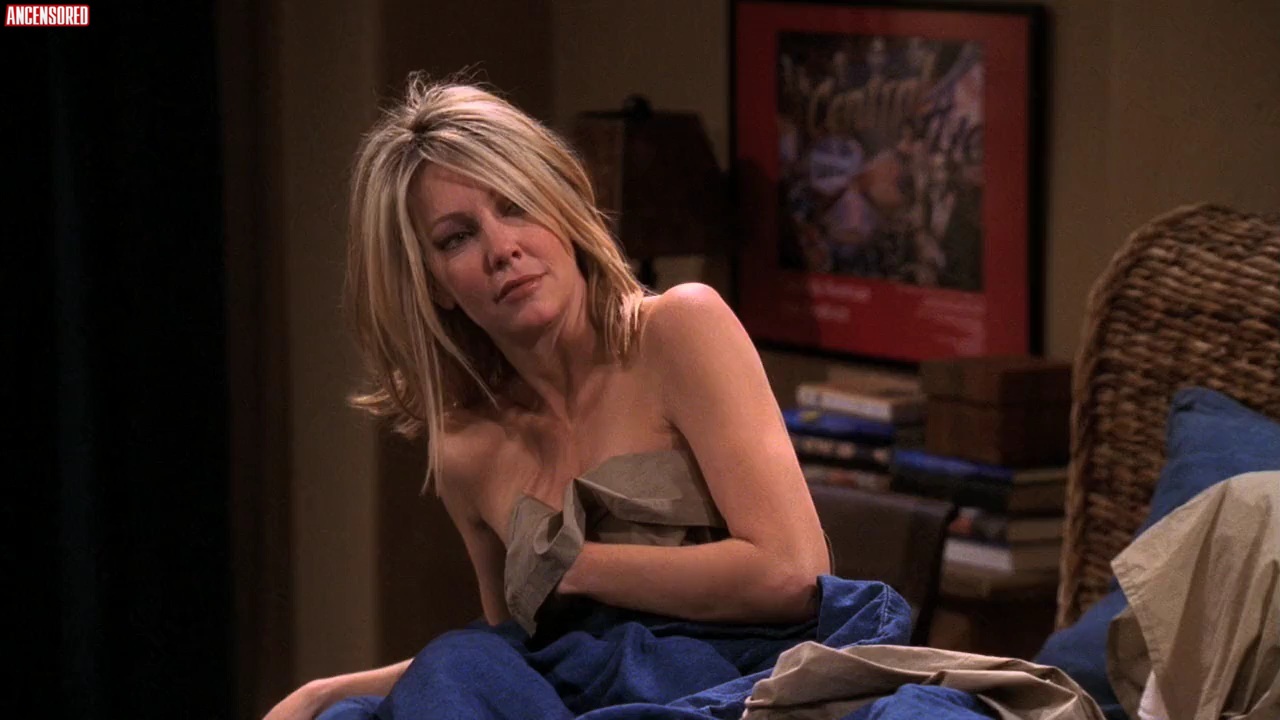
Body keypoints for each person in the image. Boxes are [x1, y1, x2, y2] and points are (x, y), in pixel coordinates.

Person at [263, 75, 830, 720]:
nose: (502, 249)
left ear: (561, 209)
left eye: (516, 206)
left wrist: (579, 568)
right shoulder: (466, 448)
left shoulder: (679, 330)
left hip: (731, 678)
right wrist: (322, 692)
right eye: (456, 237)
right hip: (572, 696)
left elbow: (793, 573)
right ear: (436, 285)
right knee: (415, 683)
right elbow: (515, 653)